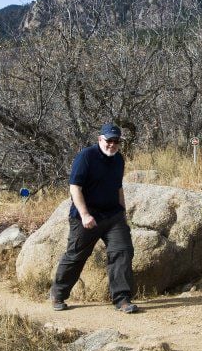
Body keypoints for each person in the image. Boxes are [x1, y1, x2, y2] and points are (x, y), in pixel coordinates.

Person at [50, 123, 137, 313]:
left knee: (122, 252)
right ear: (100, 139)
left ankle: (122, 299)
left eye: (116, 141)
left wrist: (122, 212)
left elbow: (118, 188)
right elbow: (75, 188)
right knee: (76, 256)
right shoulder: (86, 157)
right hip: (87, 216)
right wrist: (85, 215)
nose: (112, 145)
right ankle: (58, 294)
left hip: (112, 215)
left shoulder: (118, 160)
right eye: (109, 140)